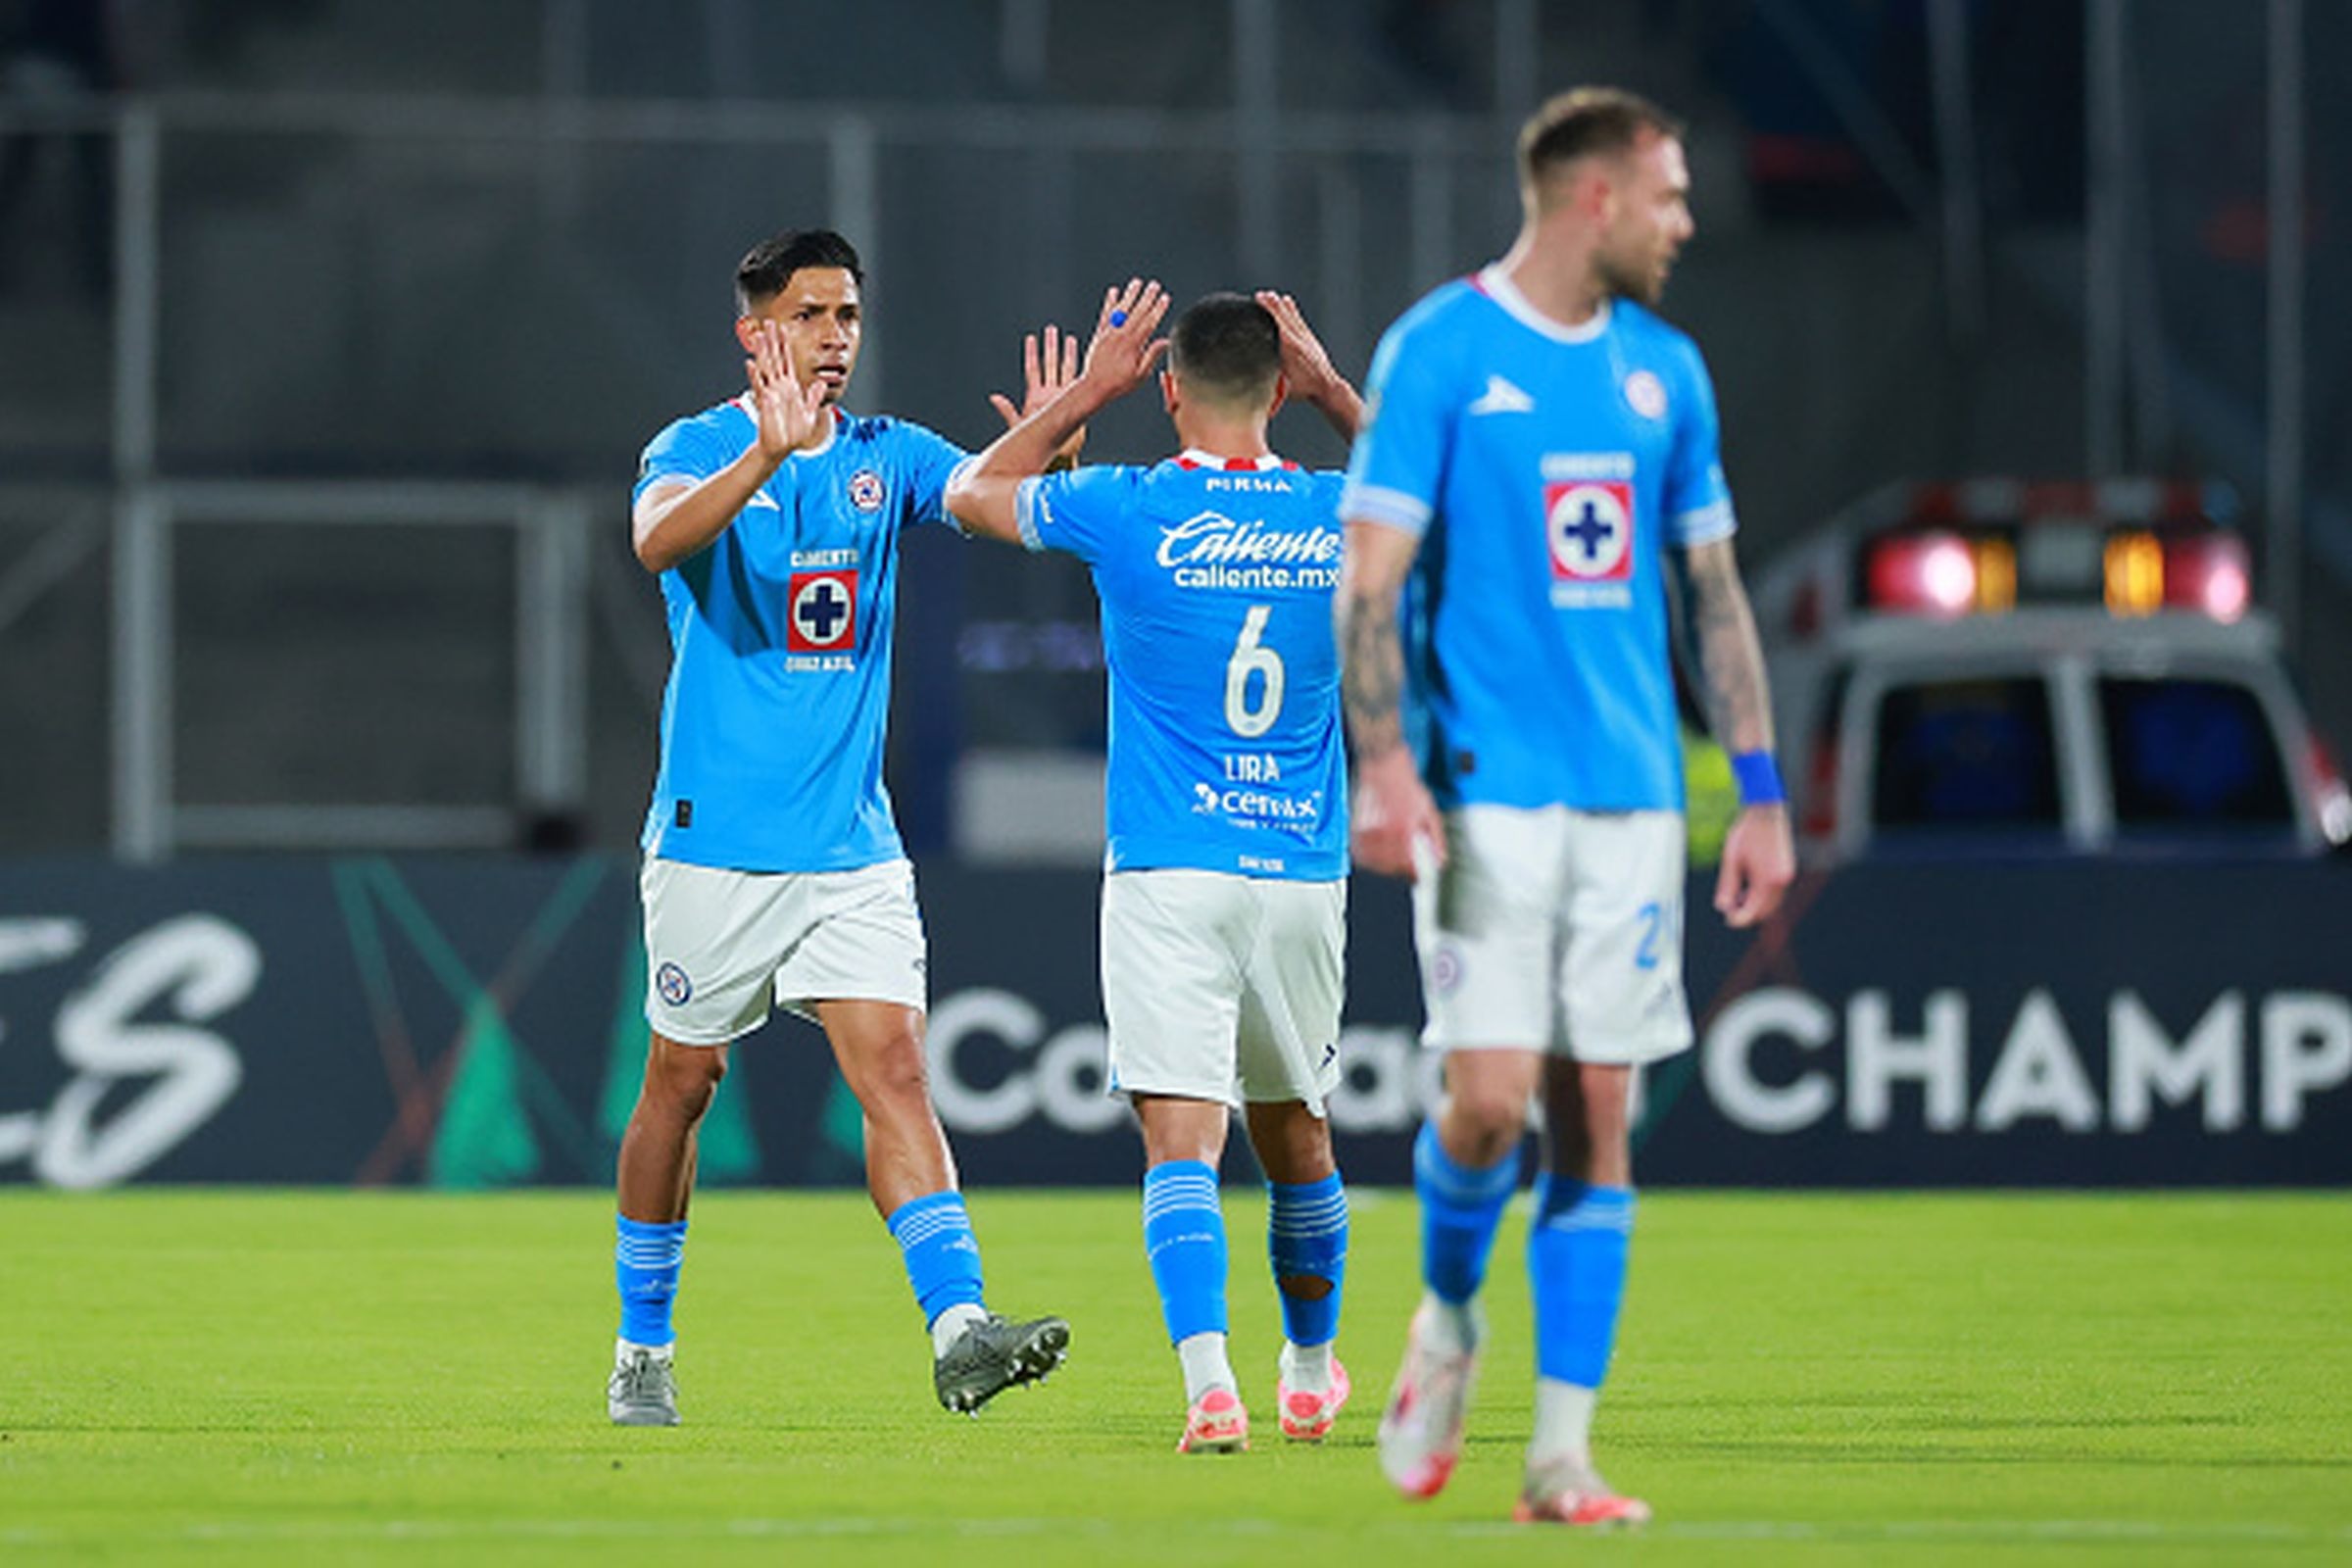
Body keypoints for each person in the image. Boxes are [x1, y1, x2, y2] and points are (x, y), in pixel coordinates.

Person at [1337, 88, 1795, 1526]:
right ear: (1594, 198)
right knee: (1484, 1106)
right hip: (1485, 798)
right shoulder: (1441, 354)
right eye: (1667, 196)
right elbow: (1372, 581)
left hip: (1634, 804)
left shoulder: (1670, 372)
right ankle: (1448, 1321)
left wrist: (1764, 791)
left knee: (1599, 1106)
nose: (1685, 222)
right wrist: (1386, 762)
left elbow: (1712, 596)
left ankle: (1560, 1459)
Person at [610, 227, 1069, 1426]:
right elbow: (657, 539)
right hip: (714, 843)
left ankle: (960, 1326)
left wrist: (1070, 423)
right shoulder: (698, 446)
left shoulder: (886, 455)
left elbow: (996, 497)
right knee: (682, 1083)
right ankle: (642, 1344)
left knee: (899, 1073)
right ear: (755, 331)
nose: (835, 337)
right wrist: (762, 459)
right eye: (811, 315)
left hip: (851, 851)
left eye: (849, 315)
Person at [947, 282, 1366, 1453]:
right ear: (1280, 386)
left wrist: (1086, 394)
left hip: (1168, 869)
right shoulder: (1339, 509)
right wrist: (1337, 393)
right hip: (1295, 865)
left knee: (1181, 1140)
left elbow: (968, 491)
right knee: (1300, 1138)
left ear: (1168, 387)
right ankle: (1309, 1370)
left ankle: (1210, 1387)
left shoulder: (1122, 504)